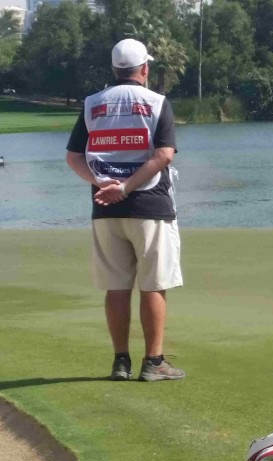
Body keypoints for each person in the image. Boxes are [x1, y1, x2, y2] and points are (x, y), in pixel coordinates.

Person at [65, 38, 185, 382]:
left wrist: (103, 184)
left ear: (114, 69)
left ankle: (120, 362)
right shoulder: (157, 102)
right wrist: (127, 187)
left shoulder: (92, 104)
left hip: (105, 209)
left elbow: (73, 158)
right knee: (153, 285)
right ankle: (153, 362)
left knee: (116, 287)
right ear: (144, 69)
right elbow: (163, 155)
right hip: (150, 205)